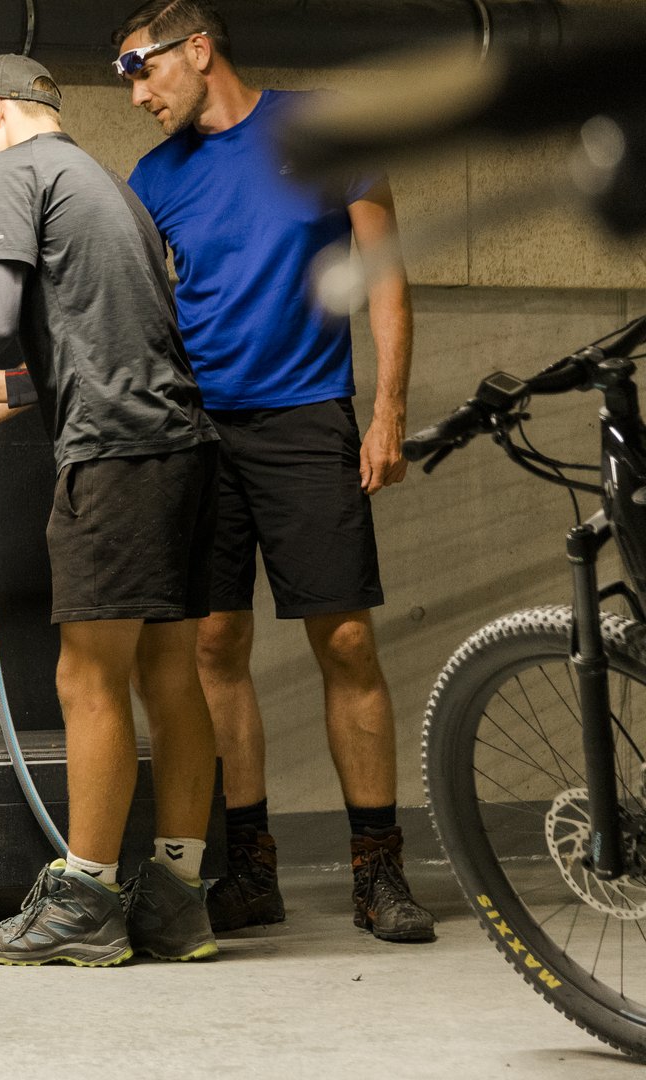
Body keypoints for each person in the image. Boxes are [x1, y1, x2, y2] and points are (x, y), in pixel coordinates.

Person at [0, 54, 222, 967]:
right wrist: (5, 394)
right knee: (171, 677)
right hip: (181, 448)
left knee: (87, 677)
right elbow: (114, 340)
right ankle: (178, 900)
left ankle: (86, 901)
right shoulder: (108, 185)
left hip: (113, 457)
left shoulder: (13, 170)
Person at [114, 0, 434, 942]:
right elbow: (137, 314)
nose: (135, 94)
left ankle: (378, 871)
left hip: (307, 416)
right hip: (198, 429)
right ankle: (251, 870)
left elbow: (385, 272)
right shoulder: (153, 179)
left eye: (140, 69)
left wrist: (388, 410)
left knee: (346, 642)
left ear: (197, 49)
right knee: (214, 645)